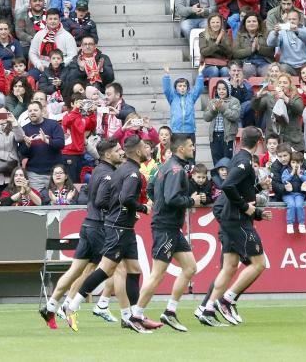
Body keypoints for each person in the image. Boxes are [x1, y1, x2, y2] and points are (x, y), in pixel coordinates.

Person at [62, 136, 154, 333]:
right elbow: (126, 198)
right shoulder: (132, 174)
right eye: (145, 147)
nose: (148, 150)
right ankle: (73, 305)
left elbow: (109, 198)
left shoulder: (121, 170)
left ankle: (134, 316)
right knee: (105, 269)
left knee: (133, 269)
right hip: (119, 227)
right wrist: (143, 208)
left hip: (123, 227)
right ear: (138, 152)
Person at [39, 139, 124, 328]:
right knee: (118, 268)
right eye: (118, 150)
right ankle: (115, 310)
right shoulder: (108, 175)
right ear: (108, 154)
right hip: (99, 227)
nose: (122, 152)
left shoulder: (97, 172)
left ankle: (52, 306)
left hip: (88, 225)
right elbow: (102, 201)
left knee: (79, 270)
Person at [132, 135, 205, 331]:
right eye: (191, 146)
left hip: (171, 227)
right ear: (181, 149)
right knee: (157, 275)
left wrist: (160, 206)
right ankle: (136, 315)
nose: (193, 148)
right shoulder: (176, 170)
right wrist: (191, 201)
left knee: (190, 267)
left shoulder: (164, 166)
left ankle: (170, 312)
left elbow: (153, 190)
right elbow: (172, 198)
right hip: (166, 227)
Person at [195, 144, 272, 326]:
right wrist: (250, 211)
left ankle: (207, 308)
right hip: (234, 223)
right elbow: (227, 201)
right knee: (259, 264)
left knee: (229, 267)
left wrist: (258, 189)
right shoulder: (240, 168)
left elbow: (242, 194)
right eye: (252, 167)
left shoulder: (238, 169)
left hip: (230, 222)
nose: (252, 169)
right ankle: (227, 300)